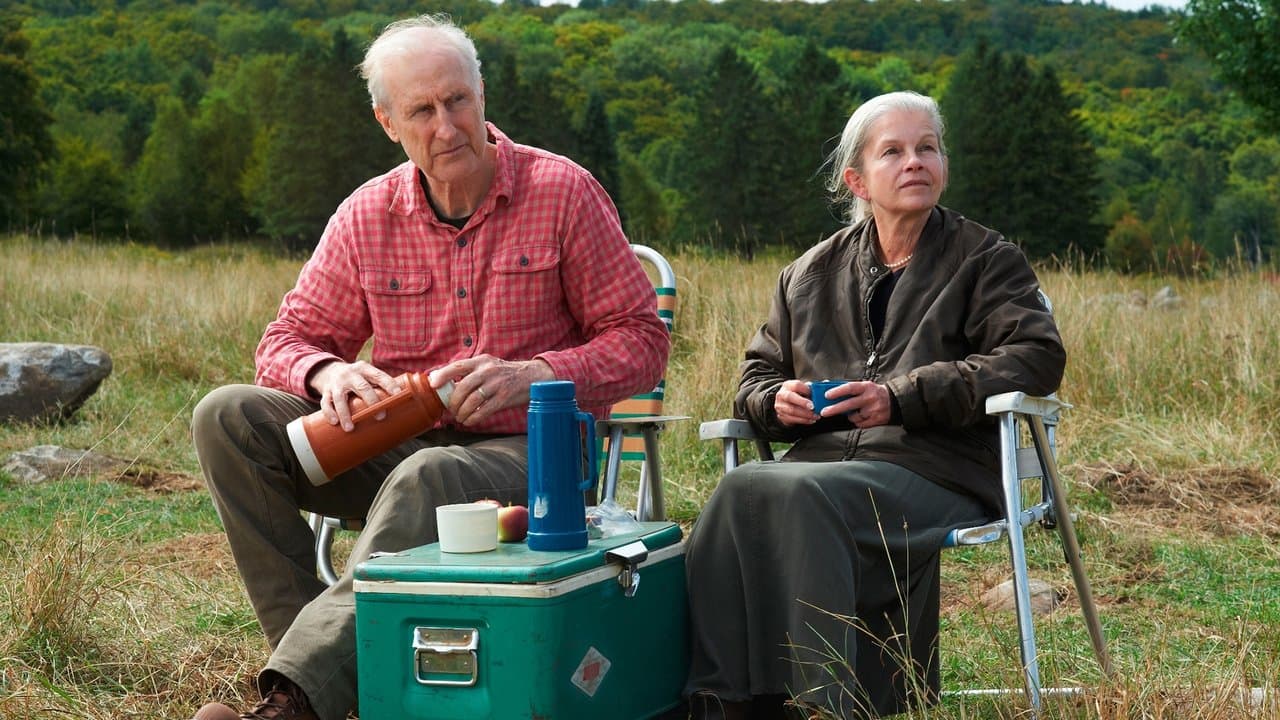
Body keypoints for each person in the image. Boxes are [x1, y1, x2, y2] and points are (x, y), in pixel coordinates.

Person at [189, 14, 670, 720]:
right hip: (391, 444)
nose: (447, 127)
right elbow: (285, 340)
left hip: (534, 458)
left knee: (431, 474)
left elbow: (642, 341)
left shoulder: (564, 192)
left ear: (482, 94)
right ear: (388, 123)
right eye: (422, 110)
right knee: (226, 417)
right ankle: (322, 667)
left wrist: (533, 374)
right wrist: (328, 374)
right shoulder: (365, 215)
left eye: (457, 100)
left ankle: (294, 701)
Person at [682, 91, 1066, 720]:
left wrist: (902, 398)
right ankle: (722, 701)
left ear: (943, 165)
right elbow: (756, 375)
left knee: (803, 493)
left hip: (938, 466)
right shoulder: (808, 274)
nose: (915, 161)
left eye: (927, 148)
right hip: (827, 462)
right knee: (739, 489)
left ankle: (824, 705)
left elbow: (1036, 356)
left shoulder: (985, 259)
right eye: (893, 152)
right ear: (856, 180)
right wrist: (776, 401)